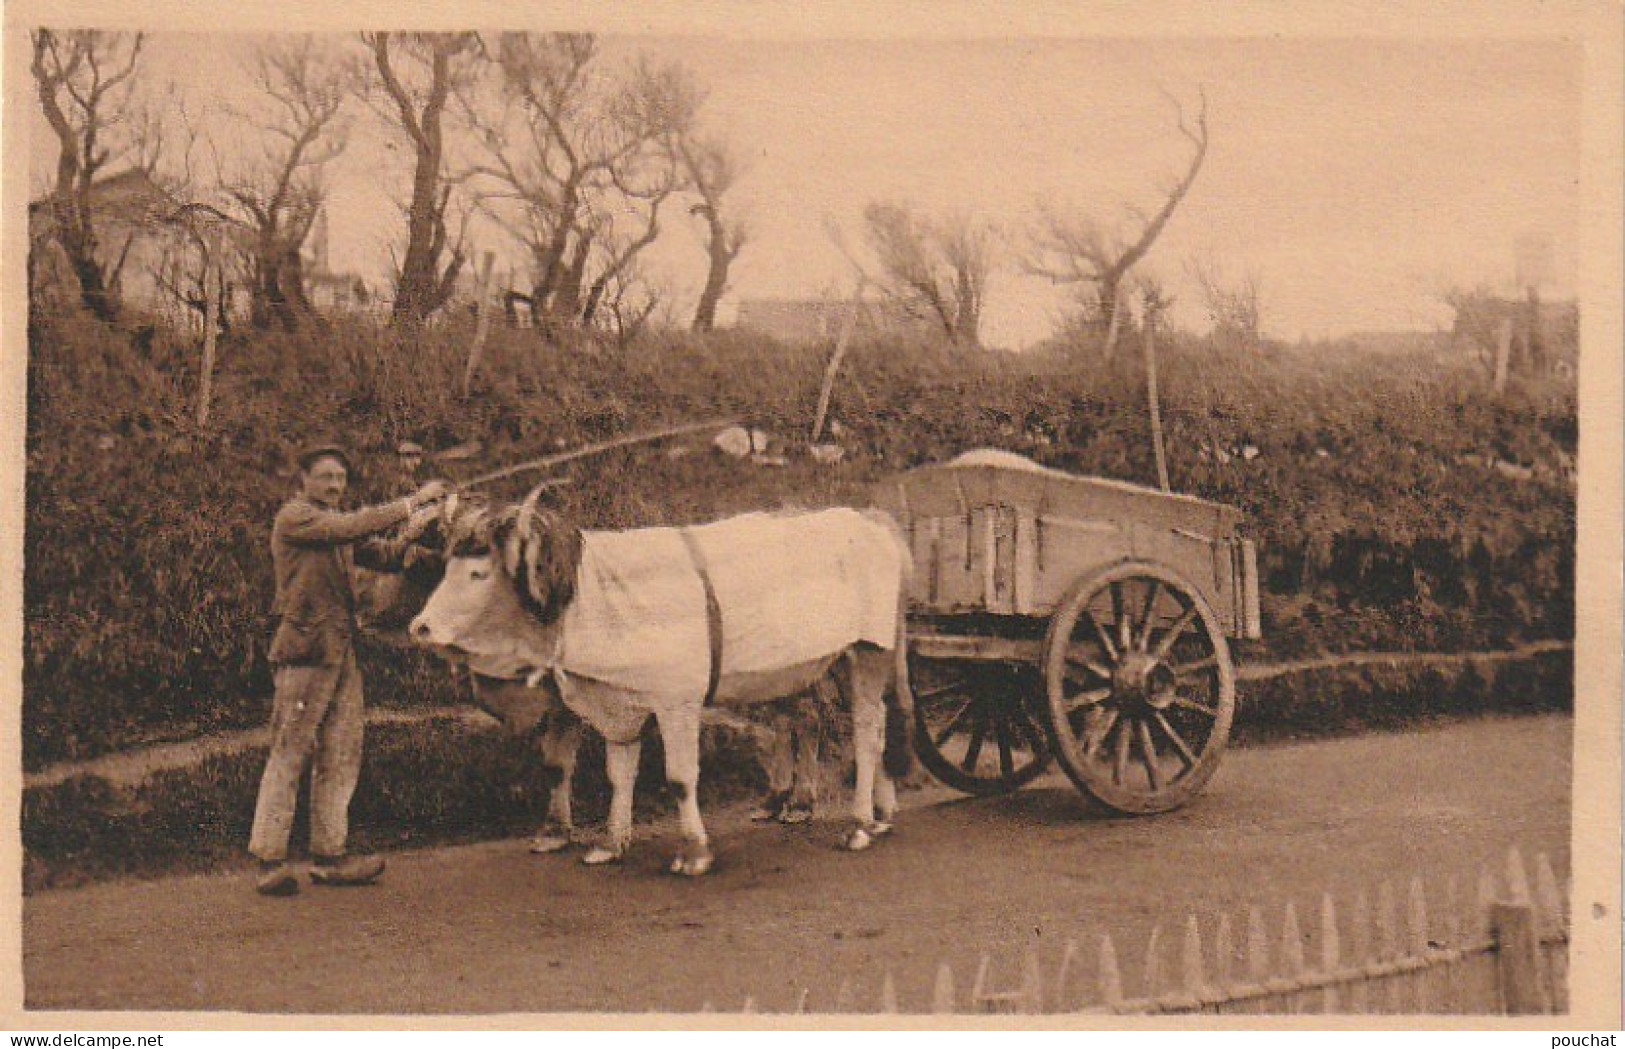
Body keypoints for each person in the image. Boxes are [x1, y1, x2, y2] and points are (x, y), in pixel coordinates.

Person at [249, 442, 450, 896]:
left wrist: (420, 539)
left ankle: (329, 857)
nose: (335, 486)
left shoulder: (334, 528)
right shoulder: (297, 517)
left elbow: (381, 551)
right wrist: (413, 502)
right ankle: (269, 860)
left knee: (340, 753)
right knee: (290, 751)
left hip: (339, 654)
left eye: (340, 479)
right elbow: (352, 527)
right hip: (304, 654)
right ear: (303, 480)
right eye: (325, 477)